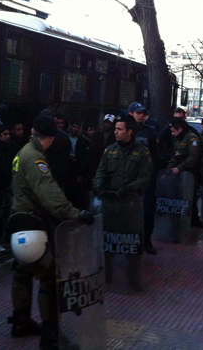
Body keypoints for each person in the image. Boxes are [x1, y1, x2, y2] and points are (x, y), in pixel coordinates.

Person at [9, 114, 93, 349]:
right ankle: (50, 335)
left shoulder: (22, 152)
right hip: (34, 225)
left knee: (21, 274)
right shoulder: (36, 159)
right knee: (49, 276)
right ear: (52, 138)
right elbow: (49, 194)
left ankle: (20, 320)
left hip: (18, 222)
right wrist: (75, 214)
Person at [94, 115, 153, 288]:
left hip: (130, 205)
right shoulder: (109, 150)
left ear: (129, 132)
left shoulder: (142, 152)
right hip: (110, 205)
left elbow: (145, 177)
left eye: (119, 129)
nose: (115, 132)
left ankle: (133, 280)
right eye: (115, 129)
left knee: (132, 245)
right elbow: (101, 171)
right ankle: (107, 279)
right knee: (107, 244)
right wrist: (98, 184)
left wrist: (129, 188)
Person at [128, 102, 159, 254]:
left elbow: (155, 153)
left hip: (146, 177)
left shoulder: (150, 132)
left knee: (147, 210)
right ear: (131, 114)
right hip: (128, 177)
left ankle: (146, 240)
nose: (140, 115)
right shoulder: (124, 130)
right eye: (137, 113)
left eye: (142, 113)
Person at [168, 119, 203, 229]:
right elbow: (176, 156)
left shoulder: (192, 138)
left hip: (190, 174)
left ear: (179, 129)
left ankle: (193, 220)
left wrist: (179, 168)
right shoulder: (180, 139)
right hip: (180, 174)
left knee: (191, 198)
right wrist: (168, 171)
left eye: (173, 131)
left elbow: (193, 158)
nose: (172, 134)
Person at [74, 122, 96, 210]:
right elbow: (79, 159)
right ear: (85, 131)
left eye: (93, 130)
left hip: (90, 174)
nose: (92, 132)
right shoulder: (81, 141)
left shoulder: (93, 141)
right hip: (82, 174)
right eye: (90, 130)